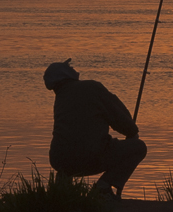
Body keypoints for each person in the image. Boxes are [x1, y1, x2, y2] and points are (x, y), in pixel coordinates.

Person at [44, 59, 147, 199]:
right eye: (69, 67)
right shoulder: (92, 88)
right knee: (138, 147)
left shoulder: (61, 97)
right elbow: (118, 116)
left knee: (69, 151)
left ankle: (62, 192)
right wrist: (132, 132)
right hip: (91, 156)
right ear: (66, 74)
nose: (73, 68)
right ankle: (103, 187)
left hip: (59, 160)